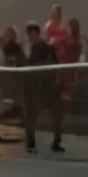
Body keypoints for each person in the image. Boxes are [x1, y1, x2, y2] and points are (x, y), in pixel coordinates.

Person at [22, 22, 63, 154]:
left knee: (55, 114)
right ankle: (30, 143)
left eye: (32, 34)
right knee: (31, 115)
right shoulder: (27, 48)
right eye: (29, 35)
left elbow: (53, 64)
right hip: (33, 87)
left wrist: (51, 79)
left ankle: (56, 141)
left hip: (47, 87)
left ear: (36, 33)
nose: (30, 37)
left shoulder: (45, 48)